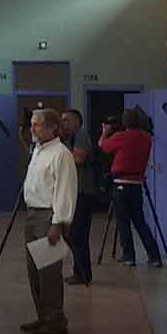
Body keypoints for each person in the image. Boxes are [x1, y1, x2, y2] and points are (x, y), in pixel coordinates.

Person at [20, 108, 77, 334]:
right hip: (33, 215)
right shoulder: (38, 150)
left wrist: (58, 223)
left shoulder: (61, 154)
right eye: (32, 124)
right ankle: (43, 315)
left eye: (37, 125)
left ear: (53, 128)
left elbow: (65, 190)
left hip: (48, 217)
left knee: (49, 272)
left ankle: (55, 319)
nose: (32, 128)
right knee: (34, 270)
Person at [100, 108, 162, 267]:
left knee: (123, 221)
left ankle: (129, 256)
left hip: (121, 183)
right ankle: (154, 256)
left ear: (124, 121)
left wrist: (105, 132)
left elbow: (103, 146)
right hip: (137, 184)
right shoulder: (147, 138)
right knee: (139, 221)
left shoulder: (120, 137)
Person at [59, 109, 100, 286]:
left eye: (66, 120)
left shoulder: (81, 135)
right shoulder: (71, 138)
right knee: (74, 234)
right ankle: (80, 271)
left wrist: (59, 151)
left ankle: (83, 273)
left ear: (76, 121)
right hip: (76, 191)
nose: (63, 124)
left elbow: (78, 158)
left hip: (83, 192)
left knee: (77, 234)